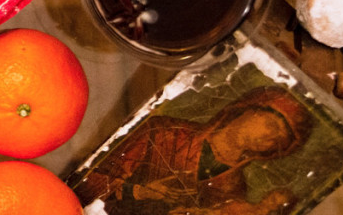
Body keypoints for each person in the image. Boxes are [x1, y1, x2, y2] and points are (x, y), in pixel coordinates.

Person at [74, 85, 314, 215]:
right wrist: (138, 192)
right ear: (248, 109)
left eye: (279, 141)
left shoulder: (233, 191)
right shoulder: (163, 133)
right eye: (272, 125)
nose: (271, 138)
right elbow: (90, 183)